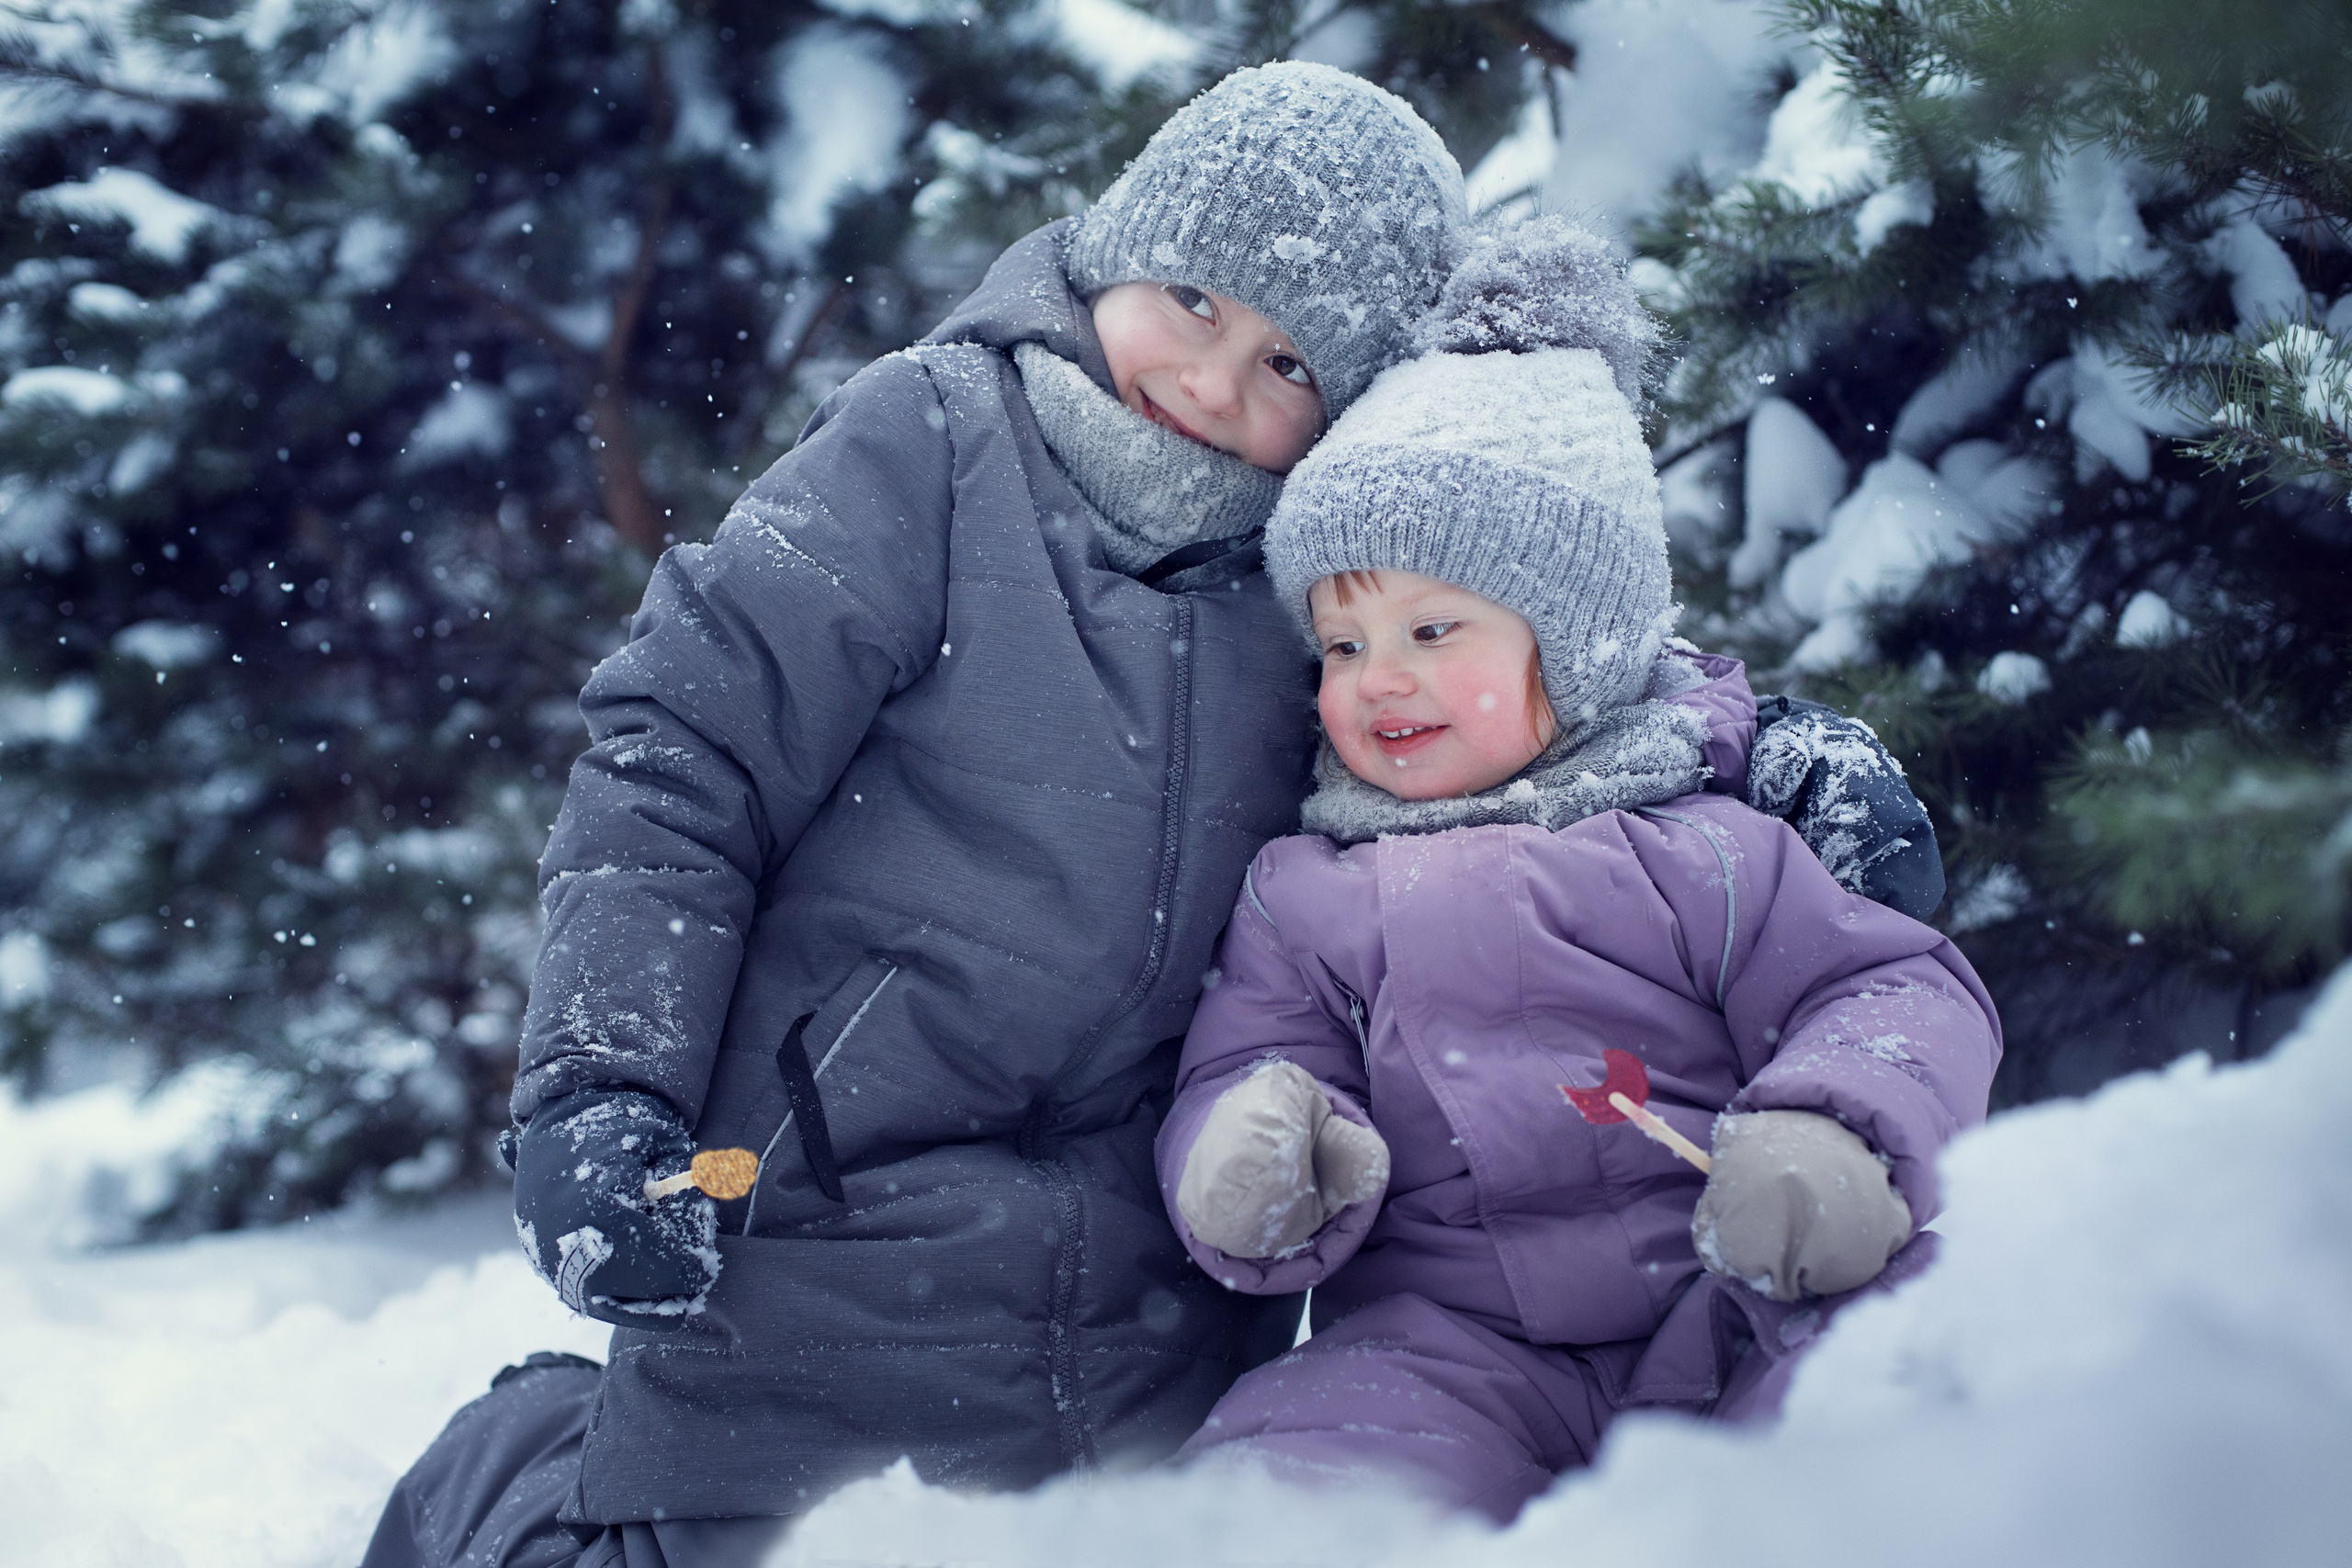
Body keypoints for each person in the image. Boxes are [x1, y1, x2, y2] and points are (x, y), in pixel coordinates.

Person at [364, 62, 1472, 1568]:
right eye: (1198, 304)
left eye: (1292, 369)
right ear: (1117, 246)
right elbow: (683, 756)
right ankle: (507, 1466)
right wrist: (601, 1090)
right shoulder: (933, 445)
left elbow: (1528, 682)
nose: (1216, 386)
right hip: (816, 1227)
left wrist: (1765, 754)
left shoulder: (1326, 582)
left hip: (1150, 1285)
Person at [1152, 218, 2003, 1525]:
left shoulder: (1709, 851)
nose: (1378, 678)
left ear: (1582, 639)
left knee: (1911, 1390)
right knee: (1295, 1474)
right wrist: (1253, 1156)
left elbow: (1898, 993)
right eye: (1340, 644)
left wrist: (1837, 1131)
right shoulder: (1305, 894)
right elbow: (1244, 1063)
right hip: (1447, 1345)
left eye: (1433, 629)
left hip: (1748, 1297)